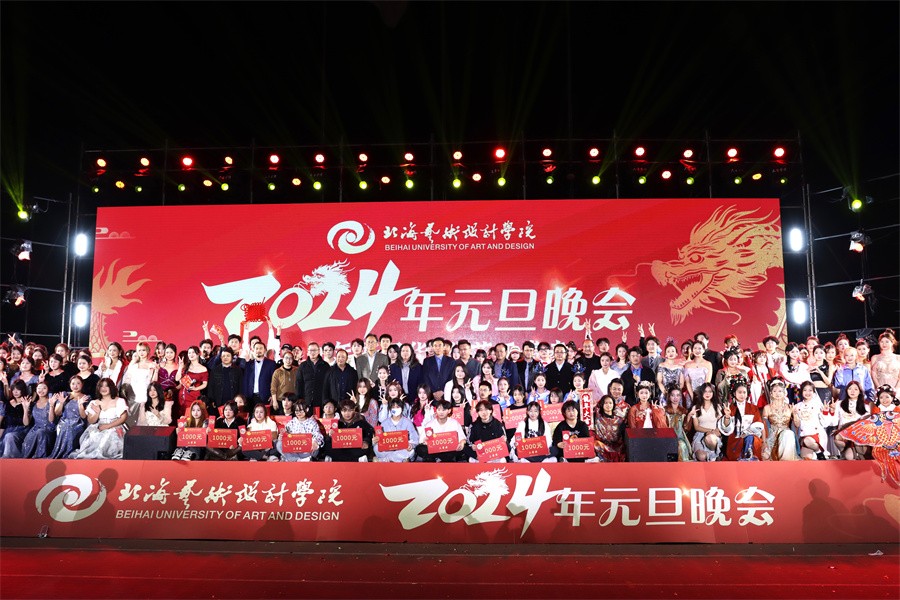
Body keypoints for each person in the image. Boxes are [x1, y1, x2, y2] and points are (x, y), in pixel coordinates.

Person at [70, 378, 128, 459]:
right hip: (99, 426)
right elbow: (90, 420)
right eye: (101, 386)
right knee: (94, 437)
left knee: (110, 435)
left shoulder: (120, 400)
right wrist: (97, 413)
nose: (103, 388)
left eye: (106, 386)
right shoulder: (94, 402)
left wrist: (108, 426)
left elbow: (123, 418)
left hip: (115, 426)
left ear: (111, 387)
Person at [719, 377, 766, 461]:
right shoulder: (730, 408)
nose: (742, 395)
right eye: (739, 392)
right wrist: (727, 416)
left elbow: (758, 426)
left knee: (750, 438)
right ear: (734, 393)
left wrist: (746, 433)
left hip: (752, 438)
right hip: (736, 439)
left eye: (744, 392)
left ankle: (748, 455)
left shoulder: (753, 408)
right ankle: (745, 456)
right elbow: (726, 429)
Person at [48, 376, 89, 458]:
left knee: (70, 428)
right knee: (65, 427)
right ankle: (61, 453)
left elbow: (84, 417)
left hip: (78, 423)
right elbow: (57, 413)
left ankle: (69, 454)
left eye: (78, 383)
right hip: (64, 421)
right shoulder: (64, 394)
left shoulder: (86, 397)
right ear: (70, 385)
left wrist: (80, 405)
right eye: (73, 383)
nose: (75, 386)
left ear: (82, 384)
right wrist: (61, 403)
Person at [414, 398, 466, 462]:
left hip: (448, 450)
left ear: (449, 411)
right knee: (420, 448)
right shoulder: (430, 424)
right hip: (434, 450)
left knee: (462, 449)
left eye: (444, 410)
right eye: (439, 410)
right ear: (436, 410)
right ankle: (438, 459)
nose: (441, 412)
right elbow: (421, 441)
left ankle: (440, 460)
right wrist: (425, 441)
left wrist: (462, 443)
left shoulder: (454, 423)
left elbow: (462, 438)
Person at [760, 378, 798, 461]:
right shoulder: (767, 408)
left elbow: (797, 425)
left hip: (787, 437)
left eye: (780, 391)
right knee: (765, 456)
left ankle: (785, 462)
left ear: (784, 393)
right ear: (771, 393)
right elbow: (763, 426)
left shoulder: (789, 407)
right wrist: (764, 442)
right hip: (772, 436)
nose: (777, 394)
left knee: (788, 434)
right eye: (775, 391)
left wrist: (795, 414)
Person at [793, 381, 832, 460]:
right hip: (803, 435)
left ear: (814, 392)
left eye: (810, 390)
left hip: (816, 435)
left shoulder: (818, 405)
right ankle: (818, 452)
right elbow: (797, 425)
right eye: (805, 390)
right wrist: (794, 415)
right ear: (801, 391)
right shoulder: (797, 406)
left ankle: (819, 452)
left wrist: (825, 412)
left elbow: (825, 423)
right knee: (806, 458)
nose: (807, 393)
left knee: (808, 441)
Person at [121, 342, 158, 423]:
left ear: (148, 351)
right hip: (133, 393)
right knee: (132, 418)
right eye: (139, 350)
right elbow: (128, 380)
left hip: (146, 392)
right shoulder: (133, 365)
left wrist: (156, 371)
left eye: (143, 350)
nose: (141, 352)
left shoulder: (151, 364)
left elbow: (153, 382)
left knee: (145, 417)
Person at [374, 397, 419, 462]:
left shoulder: (408, 422)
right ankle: (398, 459)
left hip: (402, 449)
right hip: (388, 449)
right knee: (376, 448)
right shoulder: (384, 423)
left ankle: (384, 460)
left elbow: (415, 439)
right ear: (390, 409)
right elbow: (379, 440)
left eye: (397, 407)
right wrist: (376, 440)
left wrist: (411, 445)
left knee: (411, 451)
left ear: (402, 408)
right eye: (393, 407)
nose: (395, 409)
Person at [833, 381, 870, 460]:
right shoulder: (839, 404)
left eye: (856, 389)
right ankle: (843, 453)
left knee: (849, 457)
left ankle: (853, 454)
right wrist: (828, 412)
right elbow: (834, 422)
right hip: (843, 434)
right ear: (846, 390)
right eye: (850, 389)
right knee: (837, 439)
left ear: (860, 391)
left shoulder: (866, 407)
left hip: (858, 436)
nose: (852, 391)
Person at [689, 383, 723, 461]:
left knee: (710, 438)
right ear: (701, 393)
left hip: (713, 436)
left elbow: (720, 424)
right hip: (700, 435)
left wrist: (715, 432)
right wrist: (710, 430)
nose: (707, 394)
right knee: (701, 456)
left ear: (713, 393)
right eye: (705, 391)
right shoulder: (696, 407)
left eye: (710, 391)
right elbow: (696, 427)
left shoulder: (717, 407)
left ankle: (713, 456)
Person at [295, 342, 331, 411]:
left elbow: (329, 384)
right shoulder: (303, 366)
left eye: (314, 350)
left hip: (322, 401)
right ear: (307, 352)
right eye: (310, 350)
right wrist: (299, 399)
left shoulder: (325, 366)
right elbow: (298, 383)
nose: (312, 352)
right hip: (306, 401)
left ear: (319, 351)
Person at [0, 381, 32, 457]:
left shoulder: (27, 402)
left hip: (22, 430)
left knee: (9, 436)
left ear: (23, 390)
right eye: (13, 389)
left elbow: (26, 423)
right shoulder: (7, 403)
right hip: (8, 430)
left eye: (18, 389)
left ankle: (11, 459)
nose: (15, 392)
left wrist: (25, 408)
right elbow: (4, 423)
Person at [242, 340, 277, 408]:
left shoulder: (271, 364)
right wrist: (244, 397)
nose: (258, 350)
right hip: (250, 398)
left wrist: (272, 396)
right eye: (256, 348)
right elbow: (245, 381)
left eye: (261, 348)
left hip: (266, 397)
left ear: (265, 350)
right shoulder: (248, 364)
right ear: (253, 350)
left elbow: (274, 381)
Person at [176, 346, 208, 418]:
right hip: (183, 396)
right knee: (182, 417)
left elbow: (205, 384)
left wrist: (195, 388)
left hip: (194, 396)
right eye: (189, 353)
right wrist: (180, 367)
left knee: (193, 415)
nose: (191, 354)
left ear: (198, 354)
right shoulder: (185, 367)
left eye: (193, 352)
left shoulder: (203, 368)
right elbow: (177, 379)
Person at [592, 395, 625, 462]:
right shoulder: (597, 417)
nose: (608, 405)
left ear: (613, 405)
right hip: (601, 447)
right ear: (602, 404)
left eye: (610, 403)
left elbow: (622, 437)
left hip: (616, 448)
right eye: (606, 403)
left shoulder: (619, 420)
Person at [664, 387, 692, 461]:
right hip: (666, 437)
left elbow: (686, 429)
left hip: (680, 437)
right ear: (669, 397)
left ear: (680, 397)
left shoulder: (684, 411)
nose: (675, 398)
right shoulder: (664, 410)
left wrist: (689, 416)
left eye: (678, 395)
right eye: (672, 395)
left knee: (681, 445)